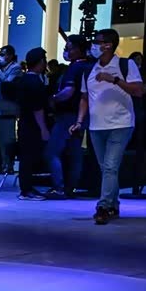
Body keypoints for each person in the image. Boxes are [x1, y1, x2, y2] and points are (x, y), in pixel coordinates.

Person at [72, 29, 146, 224]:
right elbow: (84, 98)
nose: (94, 46)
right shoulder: (89, 69)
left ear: (108, 45)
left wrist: (114, 79)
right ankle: (114, 205)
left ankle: (103, 206)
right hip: (96, 127)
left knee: (110, 167)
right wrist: (79, 121)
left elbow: (138, 90)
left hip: (121, 124)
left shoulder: (125, 65)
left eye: (98, 42)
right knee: (106, 168)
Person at [46, 35, 93, 199]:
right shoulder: (90, 66)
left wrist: (52, 98)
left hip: (68, 116)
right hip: (83, 115)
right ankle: (70, 188)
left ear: (79, 49)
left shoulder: (74, 68)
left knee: (52, 151)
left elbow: (68, 92)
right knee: (75, 153)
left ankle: (58, 188)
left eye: (69, 47)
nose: (66, 50)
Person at [15, 47, 51, 201]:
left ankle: (27, 188)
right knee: (29, 158)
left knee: (26, 158)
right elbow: (38, 108)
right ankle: (26, 190)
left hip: (24, 123)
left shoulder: (23, 79)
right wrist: (43, 129)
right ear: (41, 62)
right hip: (33, 126)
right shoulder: (35, 82)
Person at [0, 44, 23, 175]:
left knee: (8, 138)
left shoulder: (15, 68)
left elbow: (7, 83)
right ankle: (3, 164)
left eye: (3, 54)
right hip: (0, 106)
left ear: (10, 55)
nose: (0, 57)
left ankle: (9, 165)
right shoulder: (4, 68)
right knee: (1, 137)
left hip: (9, 107)